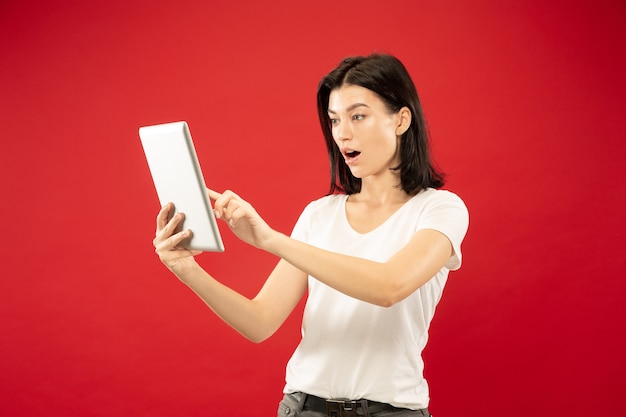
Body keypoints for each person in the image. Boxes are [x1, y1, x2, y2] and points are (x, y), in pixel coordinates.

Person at [152, 53, 469, 417]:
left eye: (358, 116)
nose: (343, 133)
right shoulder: (320, 215)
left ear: (401, 119)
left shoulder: (440, 210)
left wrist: (270, 240)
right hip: (305, 408)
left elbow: (388, 287)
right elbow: (259, 321)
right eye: (335, 120)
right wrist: (185, 268)